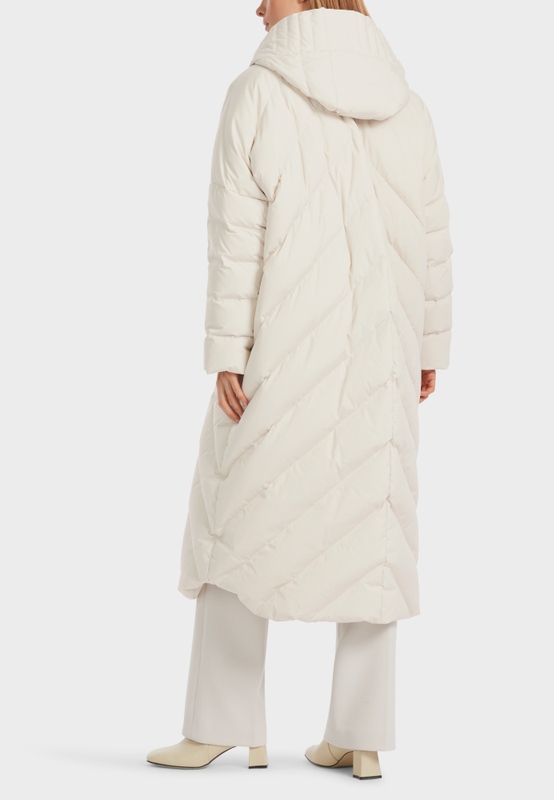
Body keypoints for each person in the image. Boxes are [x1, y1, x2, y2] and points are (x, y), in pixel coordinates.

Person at [146, 0, 453, 781]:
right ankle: (361, 737)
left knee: (236, 521)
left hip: (279, 352)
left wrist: (229, 351)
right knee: (374, 537)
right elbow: (432, 236)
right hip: (383, 355)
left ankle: (221, 724)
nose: (255, 6)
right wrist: (427, 346)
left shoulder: (257, 92)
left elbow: (236, 238)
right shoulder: (409, 105)